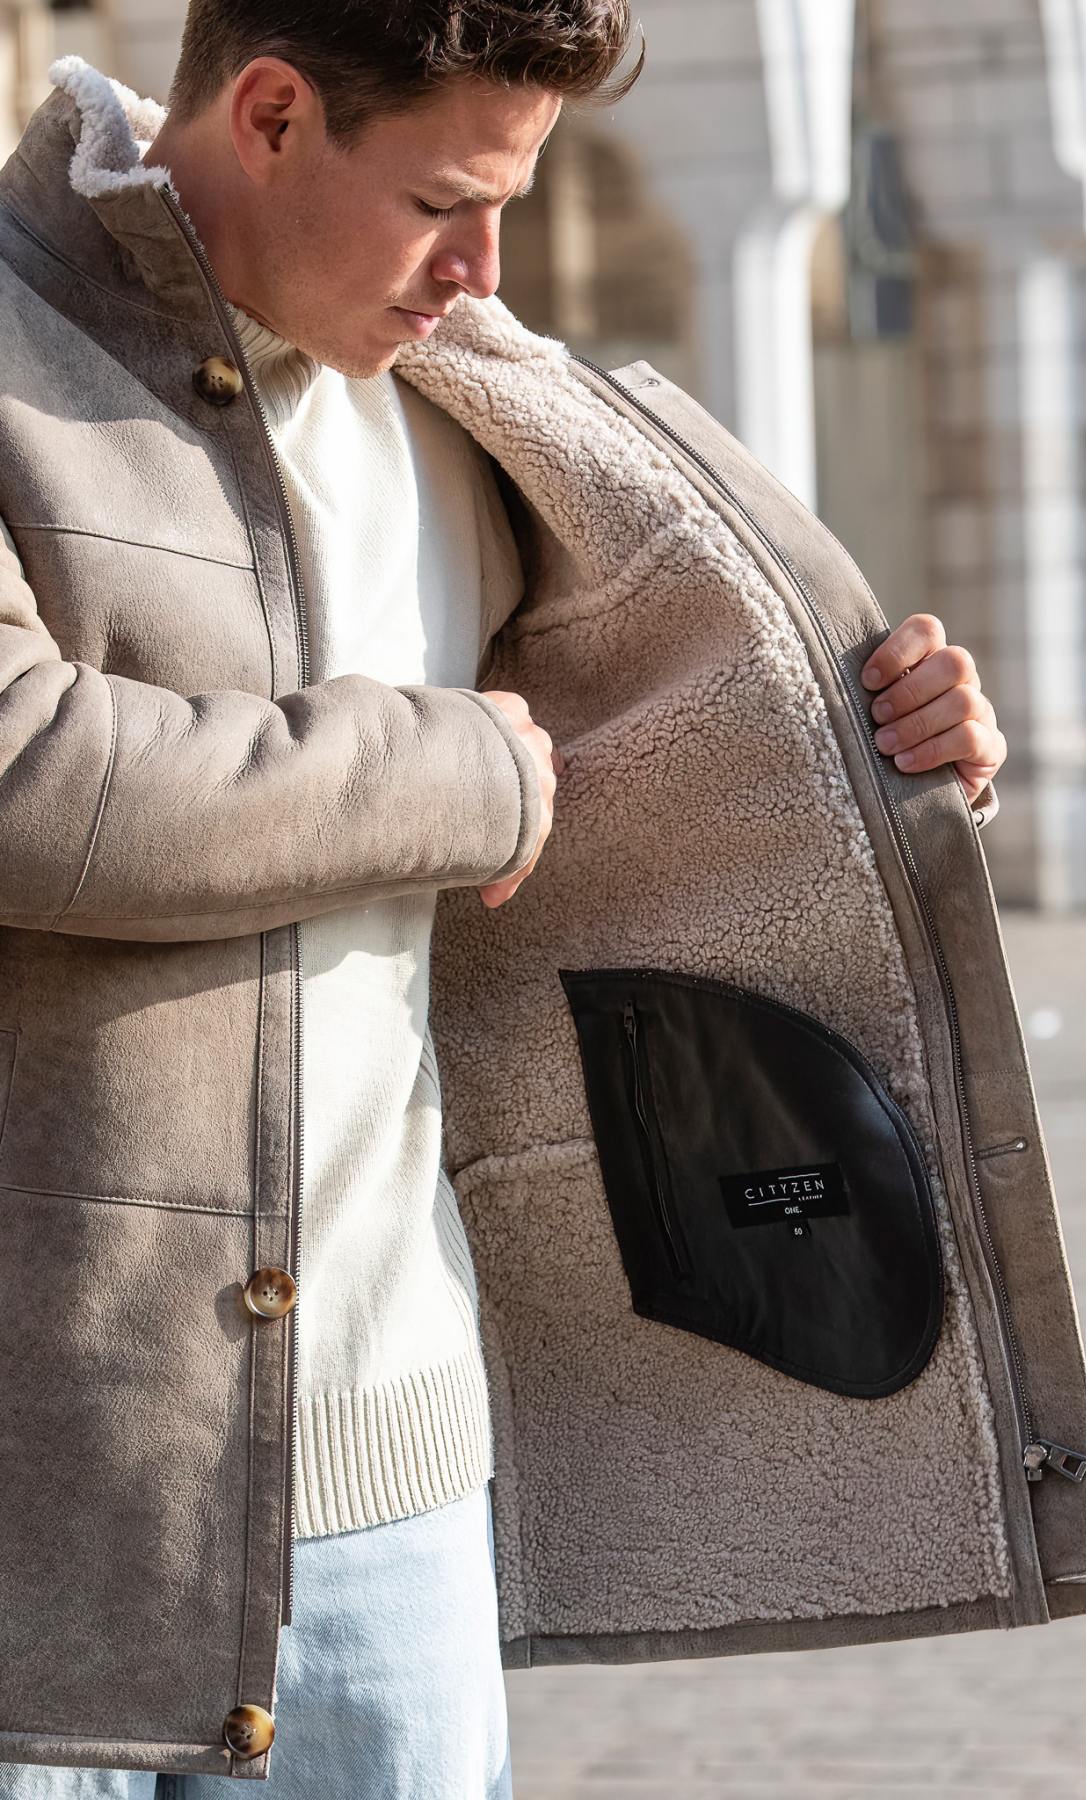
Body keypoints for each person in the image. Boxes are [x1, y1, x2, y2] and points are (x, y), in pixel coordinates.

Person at [0, 5, 1007, 1796]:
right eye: (443, 203)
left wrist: (891, 736)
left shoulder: (476, 409)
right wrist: (457, 770)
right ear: (275, 112)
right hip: (50, 1503)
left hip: (389, 1502)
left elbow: (672, 746)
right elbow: (30, 781)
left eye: (513, 204)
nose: (482, 270)